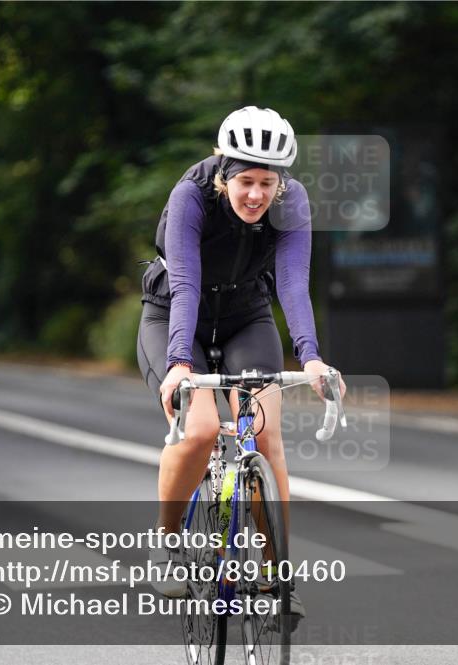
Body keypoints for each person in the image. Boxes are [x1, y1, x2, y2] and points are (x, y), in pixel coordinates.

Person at [136, 106, 345, 614]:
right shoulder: (190, 196)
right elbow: (185, 283)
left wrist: (312, 358)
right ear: (224, 174)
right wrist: (180, 362)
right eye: (245, 181)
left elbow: (293, 285)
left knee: (266, 435)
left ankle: (276, 577)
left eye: (266, 183)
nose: (256, 195)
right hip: (173, 315)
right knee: (201, 429)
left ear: (281, 183)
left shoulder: (291, 203)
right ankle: (166, 545)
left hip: (244, 316)